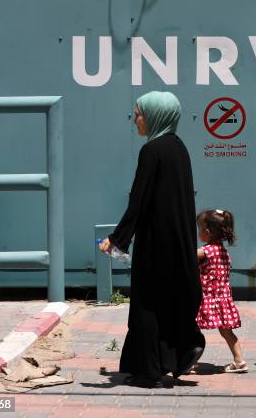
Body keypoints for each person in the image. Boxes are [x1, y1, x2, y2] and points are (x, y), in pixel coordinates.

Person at [98, 91, 205, 388]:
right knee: (170, 300)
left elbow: (140, 201)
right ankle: (181, 349)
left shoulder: (152, 150)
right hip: (179, 240)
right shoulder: (179, 148)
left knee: (146, 305)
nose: (135, 119)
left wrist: (117, 239)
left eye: (139, 114)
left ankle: (150, 370)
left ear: (156, 115)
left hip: (155, 242)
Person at [190, 209, 247, 374]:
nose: (198, 232)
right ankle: (239, 361)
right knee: (226, 331)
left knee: (192, 329)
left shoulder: (207, 251)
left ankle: (189, 362)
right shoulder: (223, 251)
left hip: (207, 297)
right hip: (222, 298)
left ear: (206, 232)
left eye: (199, 229)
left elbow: (188, 255)